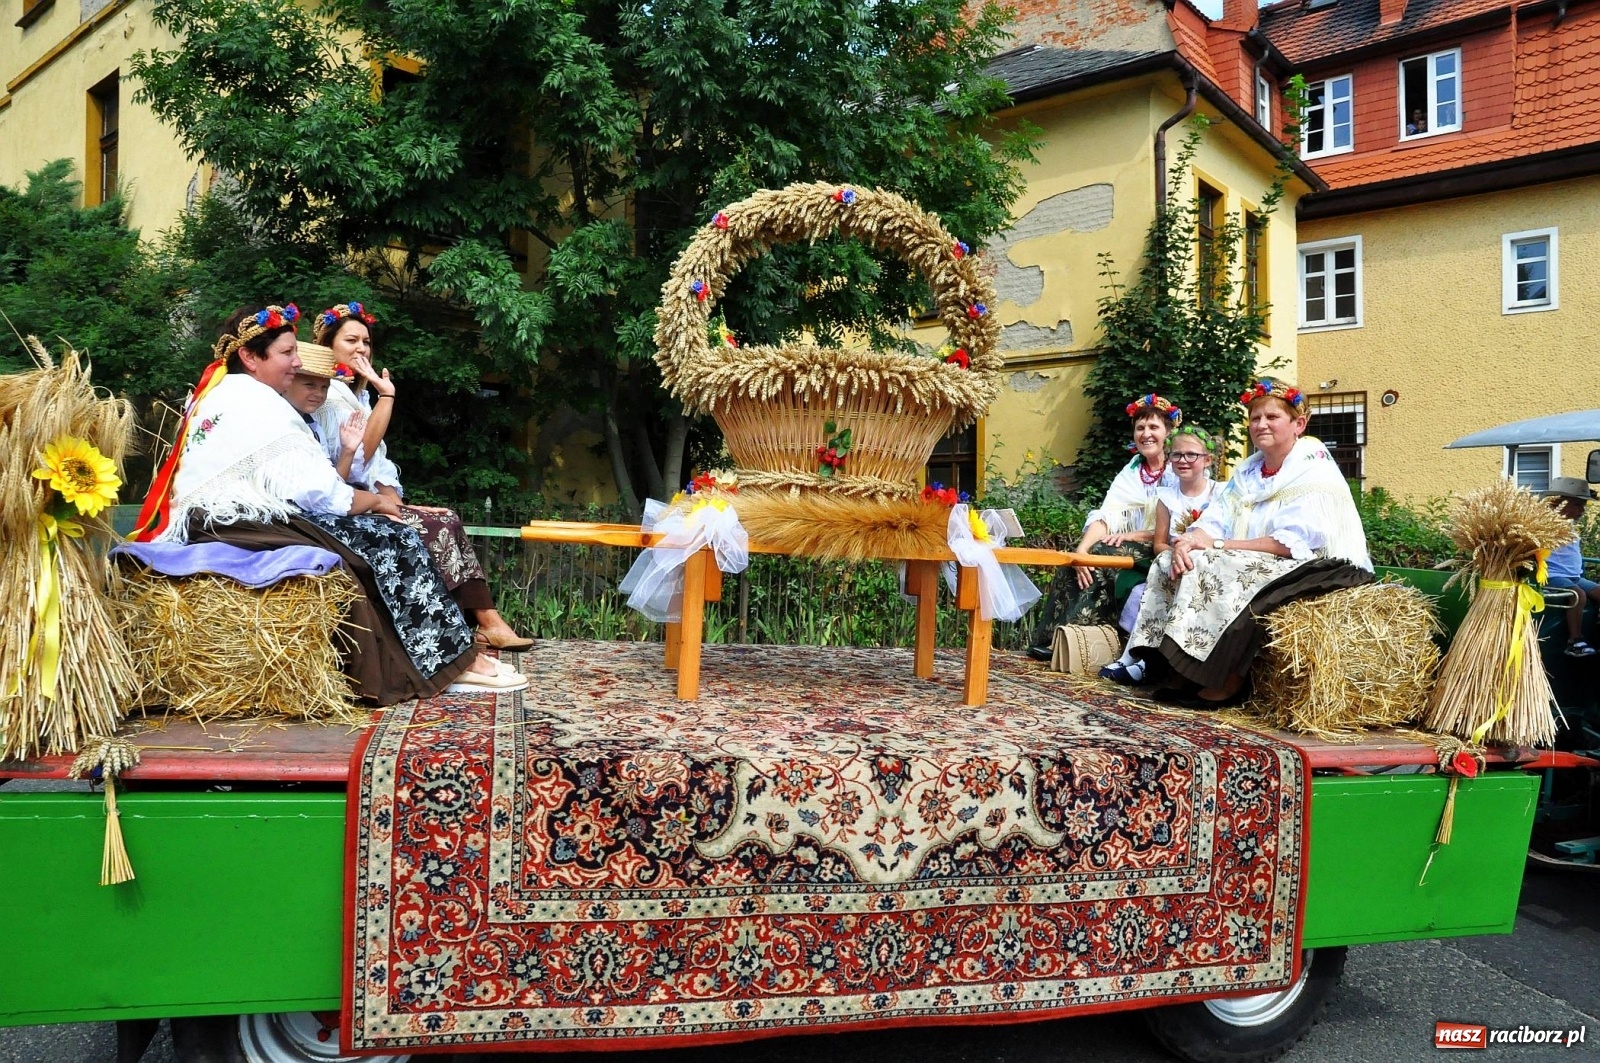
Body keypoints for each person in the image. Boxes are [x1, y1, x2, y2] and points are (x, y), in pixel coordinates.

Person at [132, 304, 525, 703]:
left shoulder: (229, 392)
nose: (297, 362)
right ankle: (448, 664)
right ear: (251, 357)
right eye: (287, 353)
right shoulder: (258, 402)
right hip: (239, 520)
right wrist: (374, 501)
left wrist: (372, 498)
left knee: (381, 538)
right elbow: (319, 492)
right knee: (394, 541)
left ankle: (437, 658)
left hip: (226, 517)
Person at [1125, 378, 1372, 707]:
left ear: (1298, 424)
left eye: (1272, 417)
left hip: (1324, 565)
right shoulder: (1250, 471)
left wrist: (1218, 547)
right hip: (1267, 557)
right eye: (1255, 418)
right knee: (1170, 560)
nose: (1261, 424)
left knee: (1218, 565)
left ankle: (1227, 680)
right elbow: (1216, 518)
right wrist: (1189, 541)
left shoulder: (1313, 468)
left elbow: (1290, 543)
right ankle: (1176, 665)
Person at [286, 339, 533, 650]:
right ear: (327, 347)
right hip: (332, 510)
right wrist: (386, 397)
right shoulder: (324, 405)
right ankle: (452, 635)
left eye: (366, 341)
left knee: (446, 520)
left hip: (349, 499)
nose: (361, 348)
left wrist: (388, 496)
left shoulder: (341, 400)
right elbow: (352, 469)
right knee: (424, 530)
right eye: (350, 340)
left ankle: (483, 623)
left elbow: (352, 472)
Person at [1027, 394, 1180, 660]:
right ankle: (1051, 640)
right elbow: (1106, 516)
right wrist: (1081, 550)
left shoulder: (1179, 468)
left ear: (1168, 431)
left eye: (1154, 427)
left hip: (1163, 547)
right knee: (1078, 560)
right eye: (1140, 428)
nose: (1146, 434)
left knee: (1101, 558)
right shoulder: (1131, 472)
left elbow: (1187, 522)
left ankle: (1074, 643)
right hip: (1129, 544)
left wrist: (1138, 534)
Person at [1100, 424, 1221, 685]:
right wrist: (1176, 551)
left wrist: (1187, 552)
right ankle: (1134, 654)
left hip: (1201, 559)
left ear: (1207, 459)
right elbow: (1158, 544)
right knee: (1154, 579)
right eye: (1177, 455)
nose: (1183, 461)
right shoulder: (1166, 497)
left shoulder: (1219, 493)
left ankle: (1152, 662)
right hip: (1172, 560)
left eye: (1192, 455)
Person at [1541, 476, 1598, 658]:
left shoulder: (1569, 524)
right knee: (1577, 595)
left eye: (1583, 506)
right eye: (1578, 505)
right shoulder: (1545, 523)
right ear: (1562, 503)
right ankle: (1575, 641)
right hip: (1553, 574)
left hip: (1574, 575)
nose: (1582, 510)